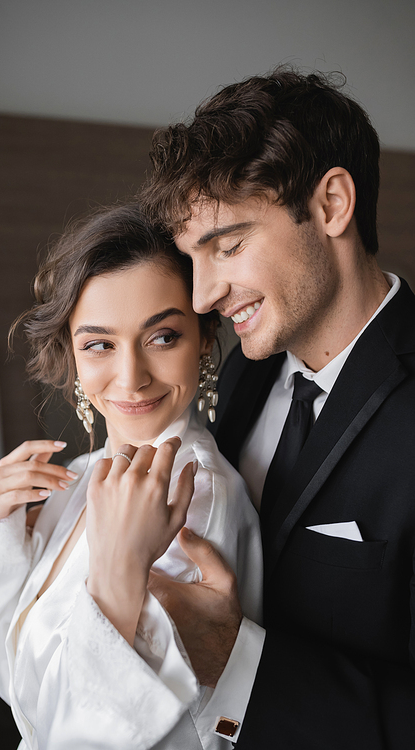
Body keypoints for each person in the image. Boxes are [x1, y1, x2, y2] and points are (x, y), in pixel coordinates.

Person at [137, 68, 415, 748]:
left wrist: (238, 663)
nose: (202, 296)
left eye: (227, 246)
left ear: (332, 205)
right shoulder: (239, 378)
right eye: (190, 259)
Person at [0, 204, 263, 750]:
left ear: (205, 339)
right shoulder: (78, 480)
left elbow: (82, 740)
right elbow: (15, 681)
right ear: (73, 356)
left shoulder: (193, 502)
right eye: (99, 344)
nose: (131, 377)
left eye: (162, 336)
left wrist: (119, 579)